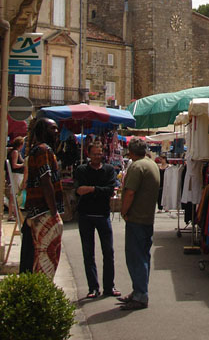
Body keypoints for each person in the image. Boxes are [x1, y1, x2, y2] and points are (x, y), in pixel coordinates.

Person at [74, 140, 121, 299]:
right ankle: (93, 287)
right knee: (88, 253)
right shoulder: (81, 170)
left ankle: (109, 286)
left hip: (103, 215)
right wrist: (98, 190)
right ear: (88, 154)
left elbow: (110, 190)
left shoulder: (109, 170)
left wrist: (91, 189)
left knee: (108, 252)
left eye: (99, 154)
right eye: (94, 154)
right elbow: (78, 190)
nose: (97, 157)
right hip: (85, 215)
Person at [118, 138, 160, 310]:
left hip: (137, 218)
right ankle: (139, 291)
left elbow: (130, 193)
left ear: (131, 151)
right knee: (143, 256)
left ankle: (141, 295)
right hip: (147, 218)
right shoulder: (151, 164)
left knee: (136, 258)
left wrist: (123, 211)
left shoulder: (137, 167)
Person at [24, 118, 64, 280]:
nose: (56, 131)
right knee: (47, 256)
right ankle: (44, 289)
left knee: (40, 255)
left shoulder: (38, 149)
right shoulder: (43, 150)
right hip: (44, 211)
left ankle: (39, 288)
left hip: (38, 210)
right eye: (52, 128)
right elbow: (45, 180)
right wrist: (54, 212)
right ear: (42, 131)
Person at [7, 136, 25, 221]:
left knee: (14, 195)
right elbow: (14, 165)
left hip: (17, 175)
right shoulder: (15, 152)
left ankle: (14, 213)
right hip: (16, 175)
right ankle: (12, 214)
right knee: (14, 195)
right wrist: (23, 165)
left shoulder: (16, 151)